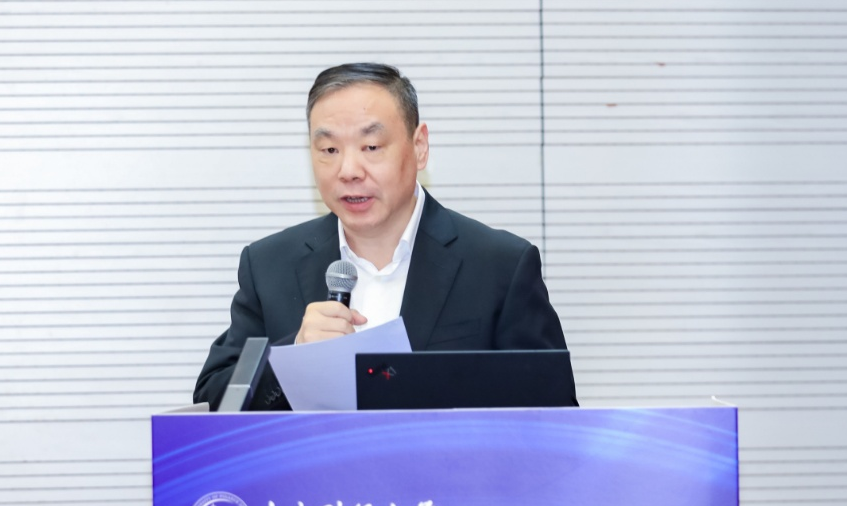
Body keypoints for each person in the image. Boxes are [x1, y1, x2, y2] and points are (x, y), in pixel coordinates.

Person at [193, 62, 573, 410]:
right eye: (329, 149)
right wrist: (292, 356)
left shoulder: (499, 266)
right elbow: (213, 401)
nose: (348, 170)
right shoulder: (269, 265)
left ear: (419, 147)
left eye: (371, 147)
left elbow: (555, 415)